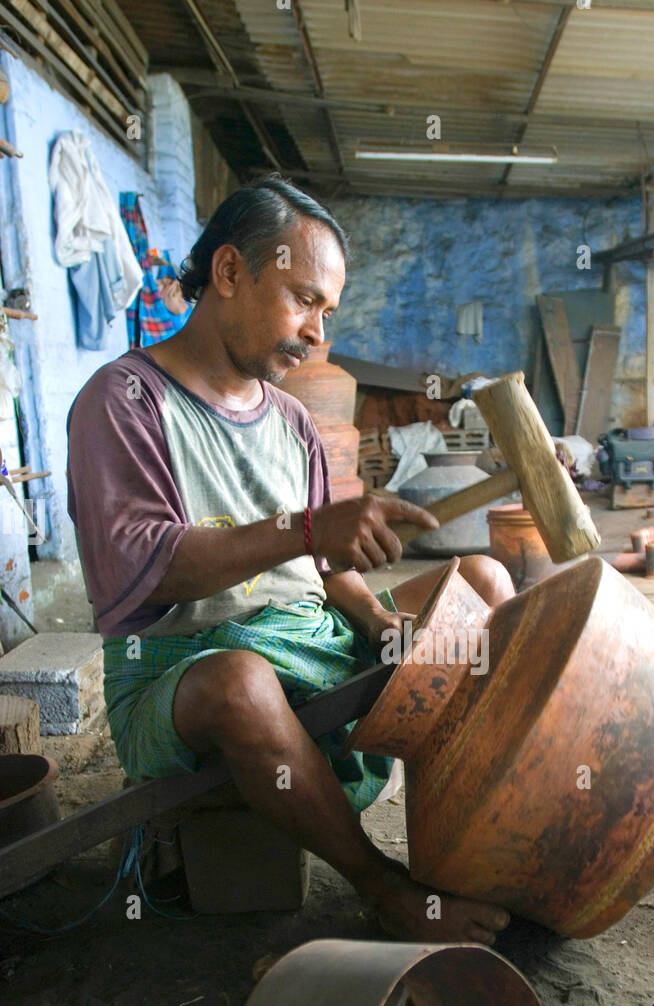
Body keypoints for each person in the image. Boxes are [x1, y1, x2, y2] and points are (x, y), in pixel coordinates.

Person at [67, 176, 513, 945]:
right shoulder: (125, 401)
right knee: (242, 682)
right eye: (304, 299)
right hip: (176, 669)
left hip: (309, 640)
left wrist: (374, 617)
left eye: (327, 313)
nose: (316, 333)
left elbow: (325, 564)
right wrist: (307, 528)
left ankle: (482, 842)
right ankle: (383, 886)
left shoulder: (293, 421)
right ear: (231, 272)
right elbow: (142, 570)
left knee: (480, 581)